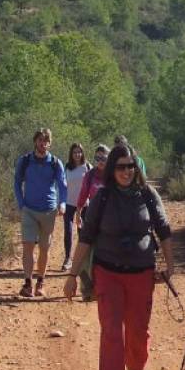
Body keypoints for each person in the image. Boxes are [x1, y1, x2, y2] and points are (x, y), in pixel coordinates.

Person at [63, 143, 174, 370]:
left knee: (137, 331)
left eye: (130, 166)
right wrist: (72, 276)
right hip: (108, 273)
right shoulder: (102, 198)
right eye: (120, 166)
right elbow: (86, 238)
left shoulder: (148, 195)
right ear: (112, 169)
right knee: (111, 331)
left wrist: (170, 267)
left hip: (141, 274)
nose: (126, 171)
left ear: (137, 168)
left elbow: (164, 230)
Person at [14, 128, 67, 298]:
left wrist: (62, 203)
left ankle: (40, 282)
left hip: (49, 211)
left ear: (50, 143)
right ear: (35, 141)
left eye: (46, 141)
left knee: (44, 248)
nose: (42, 144)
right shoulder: (25, 161)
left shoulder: (55, 162)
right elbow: (17, 182)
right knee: (28, 246)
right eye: (40, 140)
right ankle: (28, 283)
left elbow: (62, 184)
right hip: (29, 209)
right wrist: (21, 203)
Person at [74, 144, 110, 299]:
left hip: (110, 220)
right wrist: (78, 212)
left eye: (103, 158)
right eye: (97, 158)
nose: (100, 161)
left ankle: (106, 288)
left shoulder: (113, 175)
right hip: (91, 218)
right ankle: (87, 289)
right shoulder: (89, 176)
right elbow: (82, 195)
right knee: (85, 254)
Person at [63, 143, 91, 272]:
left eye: (79, 152)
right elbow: (63, 185)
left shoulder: (87, 167)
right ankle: (68, 259)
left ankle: (82, 261)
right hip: (69, 203)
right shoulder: (67, 167)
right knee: (68, 231)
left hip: (84, 204)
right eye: (75, 152)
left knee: (82, 233)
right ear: (71, 154)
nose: (77, 154)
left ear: (83, 153)